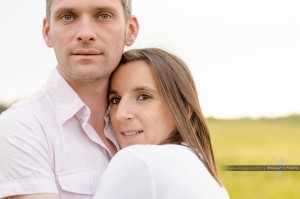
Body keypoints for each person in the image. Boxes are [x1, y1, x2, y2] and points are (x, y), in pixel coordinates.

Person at [0, 0, 139, 199]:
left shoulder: (152, 120)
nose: (85, 33)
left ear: (130, 30)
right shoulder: (19, 128)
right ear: (48, 32)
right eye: (68, 16)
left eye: (103, 16)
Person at [93, 48, 230, 199]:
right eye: (115, 100)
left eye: (143, 97)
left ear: (184, 109)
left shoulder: (137, 160)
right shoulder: (201, 169)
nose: (120, 114)